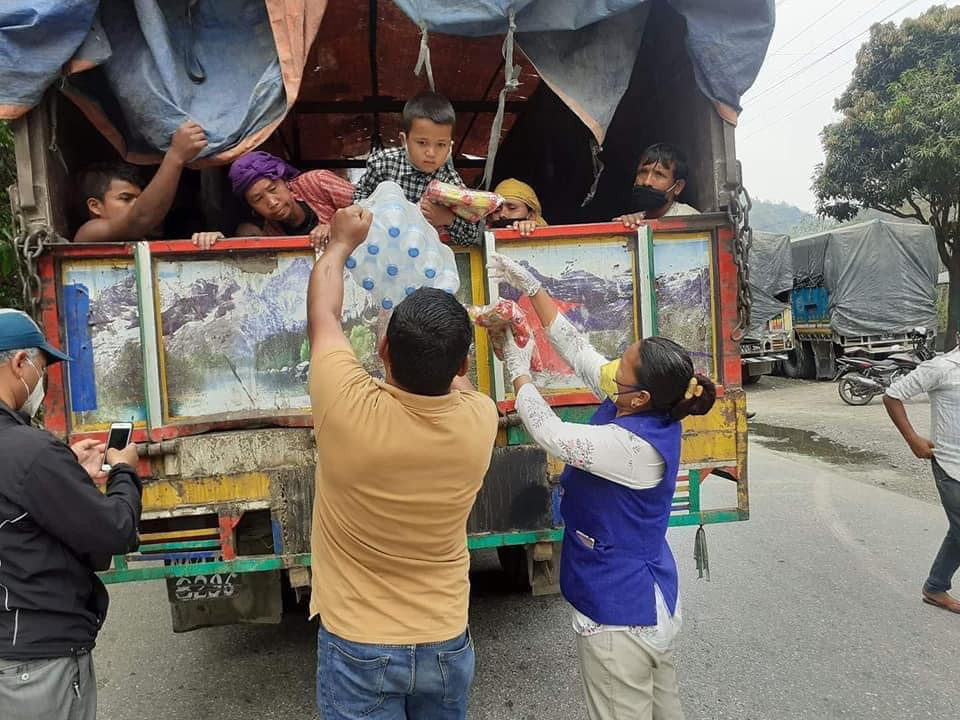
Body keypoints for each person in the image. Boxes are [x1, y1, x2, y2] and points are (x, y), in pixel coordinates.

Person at [488, 253, 717, 720]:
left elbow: (552, 434)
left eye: (624, 367)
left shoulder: (634, 446)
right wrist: (532, 289)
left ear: (641, 395)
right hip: (646, 600)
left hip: (622, 615)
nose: (612, 368)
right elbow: (577, 348)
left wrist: (518, 368)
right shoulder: (642, 404)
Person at [306, 206, 498, 719]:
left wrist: (341, 244)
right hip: (445, 640)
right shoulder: (480, 422)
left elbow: (323, 316)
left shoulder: (345, 408)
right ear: (462, 364)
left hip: (358, 644)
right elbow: (459, 385)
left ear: (382, 349)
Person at [0, 309, 142, 720]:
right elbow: (114, 531)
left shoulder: (32, 457)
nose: (41, 383)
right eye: (42, 368)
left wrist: (67, 476)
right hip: (37, 664)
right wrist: (123, 470)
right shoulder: (31, 452)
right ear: (20, 364)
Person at [884, 349, 960, 614]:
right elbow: (893, 395)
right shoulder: (942, 368)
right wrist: (913, 440)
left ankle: (935, 587)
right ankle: (935, 587)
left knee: (958, 530)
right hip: (950, 464)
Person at [353, 91, 482, 246]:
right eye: (422, 142)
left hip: (422, 257)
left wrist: (447, 219)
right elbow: (358, 197)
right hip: (380, 246)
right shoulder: (384, 162)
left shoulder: (450, 182)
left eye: (441, 145)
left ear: (450, 146)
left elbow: (472, 237)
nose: (431, 153)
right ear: (403, 140)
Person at [74, 121, 209, 244]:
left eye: (139, 198)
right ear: (95, 206)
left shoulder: (141, 237)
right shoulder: (89, 232)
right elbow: (140, 218)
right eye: (126, 198)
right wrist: (176, 156)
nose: (137, 204)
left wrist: (210, 239)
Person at [227, 150, 355, 250]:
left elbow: (369, 207)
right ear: (252, 208)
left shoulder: (318, 181)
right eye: (258, 199)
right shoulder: (271, 235)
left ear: (286, 182)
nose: (272, 203)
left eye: (272, 189)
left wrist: (335, 229)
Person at [615, 143, 699, 230]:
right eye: (643, 172)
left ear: (678, 187)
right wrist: (623, 229)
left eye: (659, 175)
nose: (647, 182)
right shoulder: (634, 221)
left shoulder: (691, 222)